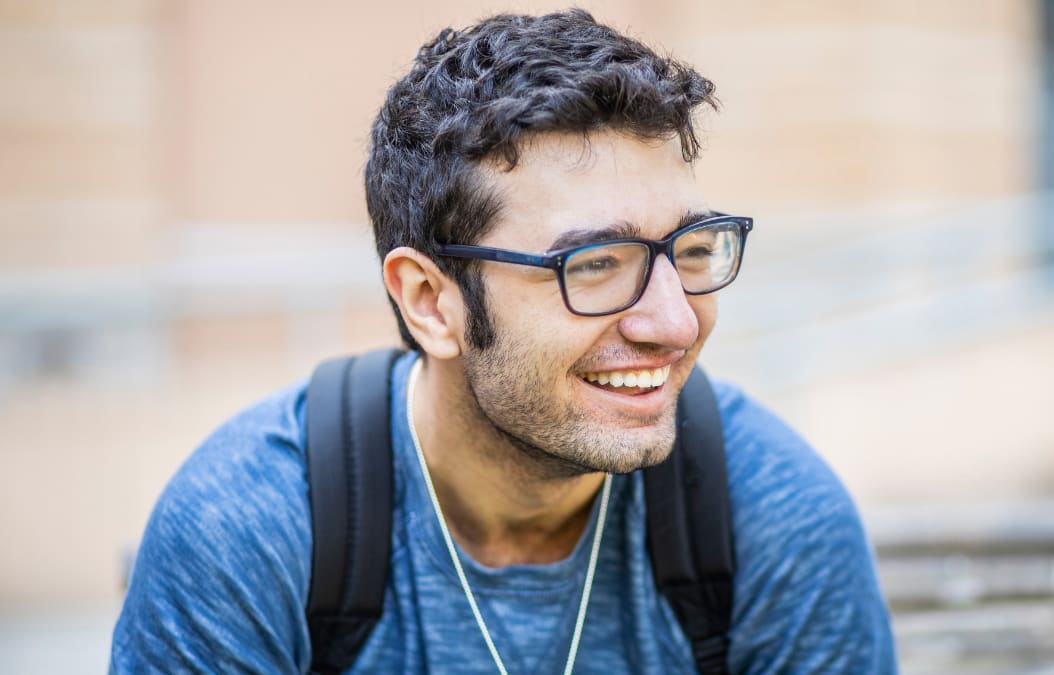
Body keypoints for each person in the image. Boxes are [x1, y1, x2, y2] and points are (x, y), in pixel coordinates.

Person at [110, 9, 896, 673]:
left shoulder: (770, 518)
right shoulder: (253, 531)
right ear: (430, 301)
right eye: (594, 265)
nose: (675, 321)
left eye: (689, 251)